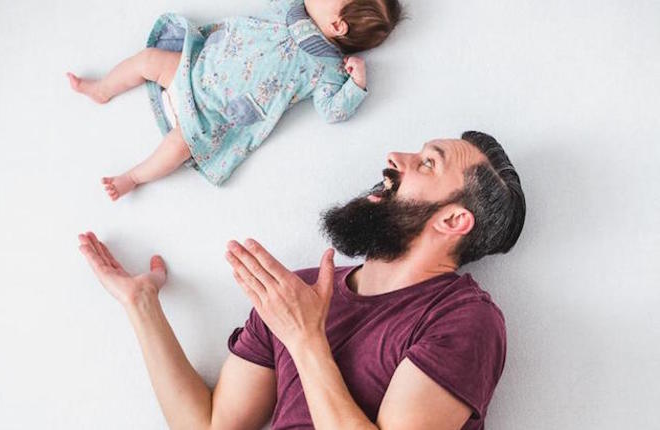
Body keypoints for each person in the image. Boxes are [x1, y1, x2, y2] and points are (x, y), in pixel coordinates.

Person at [78, 131, 526, 429]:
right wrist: (141, 305)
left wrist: (306, 338)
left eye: (428, 164)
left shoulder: (464, 321)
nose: (396, 158)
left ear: (452, 219)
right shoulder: (295, 295)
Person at [66, 0, 402, 200]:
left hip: (213, 114)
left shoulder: (327, 67)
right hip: (194, 68)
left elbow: (332, 110)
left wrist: (355, 84)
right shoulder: (291, 8)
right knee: (149, 59)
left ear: (338, 25)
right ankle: (103, 89)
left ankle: (134, 177)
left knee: (181, 145)